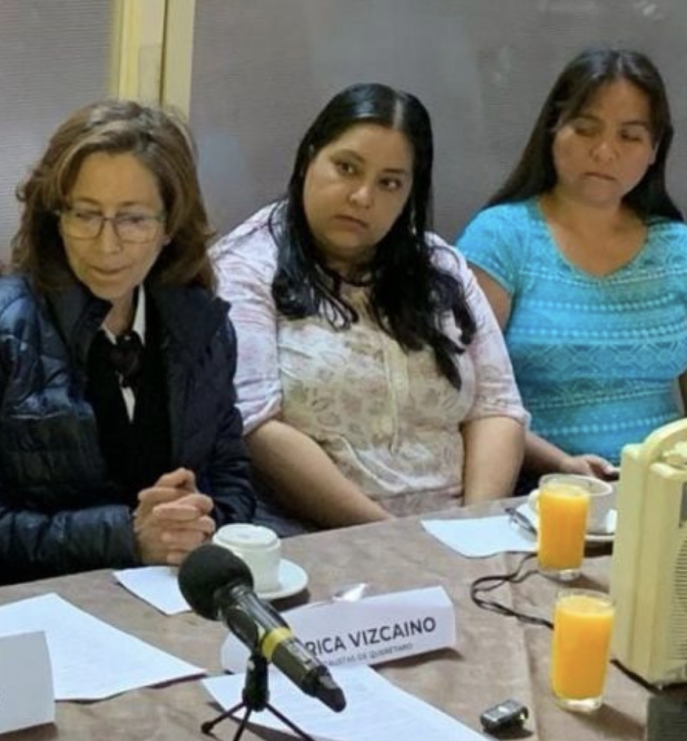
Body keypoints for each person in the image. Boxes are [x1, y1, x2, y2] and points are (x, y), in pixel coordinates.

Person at [0, 99, 256, 592]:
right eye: (85, 215)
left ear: (170, 226)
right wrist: (126, 536)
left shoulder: (203, 325)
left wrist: (195, 521)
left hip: (175, 595)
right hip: (36, 605)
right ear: (55, 217)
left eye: (133, 220)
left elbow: (232, 473)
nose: (106, 245)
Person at [213, 84, 526, 528]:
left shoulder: (441, 266)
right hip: (315, 534)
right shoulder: (246, 265)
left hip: (461, 531)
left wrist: (475, 528)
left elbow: (497, 408)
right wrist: (396, 538)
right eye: (346, 168)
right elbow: (258, 424)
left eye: (389, 183)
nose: (362, 196)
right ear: (308, 159)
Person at [458, 48, 687, 484]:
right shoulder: (502, 237)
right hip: (537, 490)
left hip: (661, 489)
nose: (604, 152)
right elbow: (465, 395)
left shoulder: (678, 249)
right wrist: (559, 462)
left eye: (630, 136)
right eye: (585, 129)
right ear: (553, 130)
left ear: (654, 150)